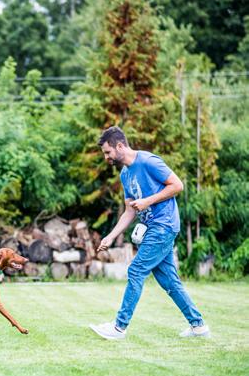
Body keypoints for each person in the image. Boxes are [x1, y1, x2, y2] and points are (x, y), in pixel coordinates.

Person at [89, 126, 210, 340]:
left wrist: (148, 201)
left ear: (119, 146)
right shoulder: (125, 174)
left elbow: (177, 185)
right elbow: (129, 211)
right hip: (152, 228)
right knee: (169, 281)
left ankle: (119, 327)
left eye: (108, 152)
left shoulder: (148, 161)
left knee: (136, 270)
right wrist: (110, 236)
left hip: (164, 225)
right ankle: (198, 325)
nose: (106, 157)